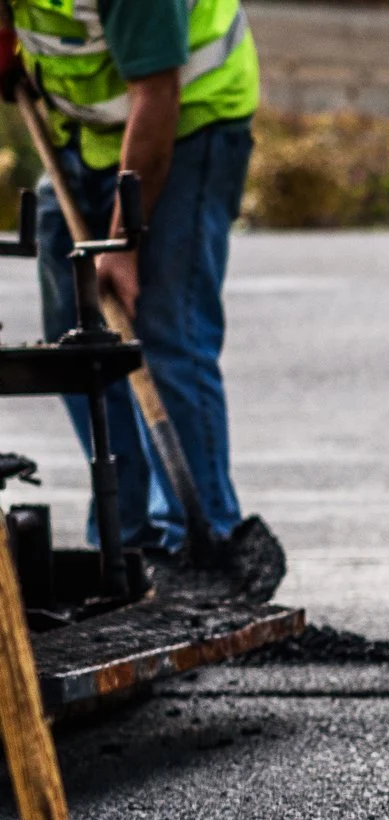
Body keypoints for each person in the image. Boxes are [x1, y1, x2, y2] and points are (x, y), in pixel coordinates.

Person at [4, 0, 259, 571]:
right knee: (78, 338)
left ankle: (200, 540)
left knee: (164, 327)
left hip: (187, 118)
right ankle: (126, 537)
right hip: (84, 131)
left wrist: (124, 244)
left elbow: (158, 94)